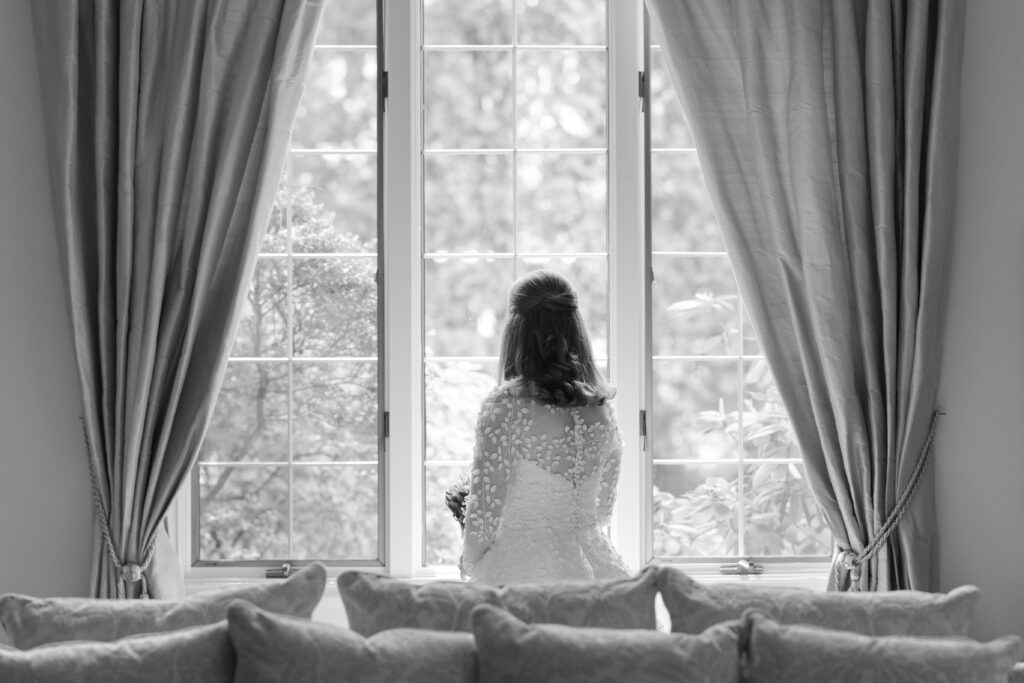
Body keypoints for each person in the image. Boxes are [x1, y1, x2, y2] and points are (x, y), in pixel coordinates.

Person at [460, 270, 631, 584]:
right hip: (600, 571)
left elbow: (483, 519)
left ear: (515, 330)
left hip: (521, 574)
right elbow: (603, 513)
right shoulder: (602, 409)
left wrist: (470, 565)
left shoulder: (506, 407)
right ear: (575, 327)